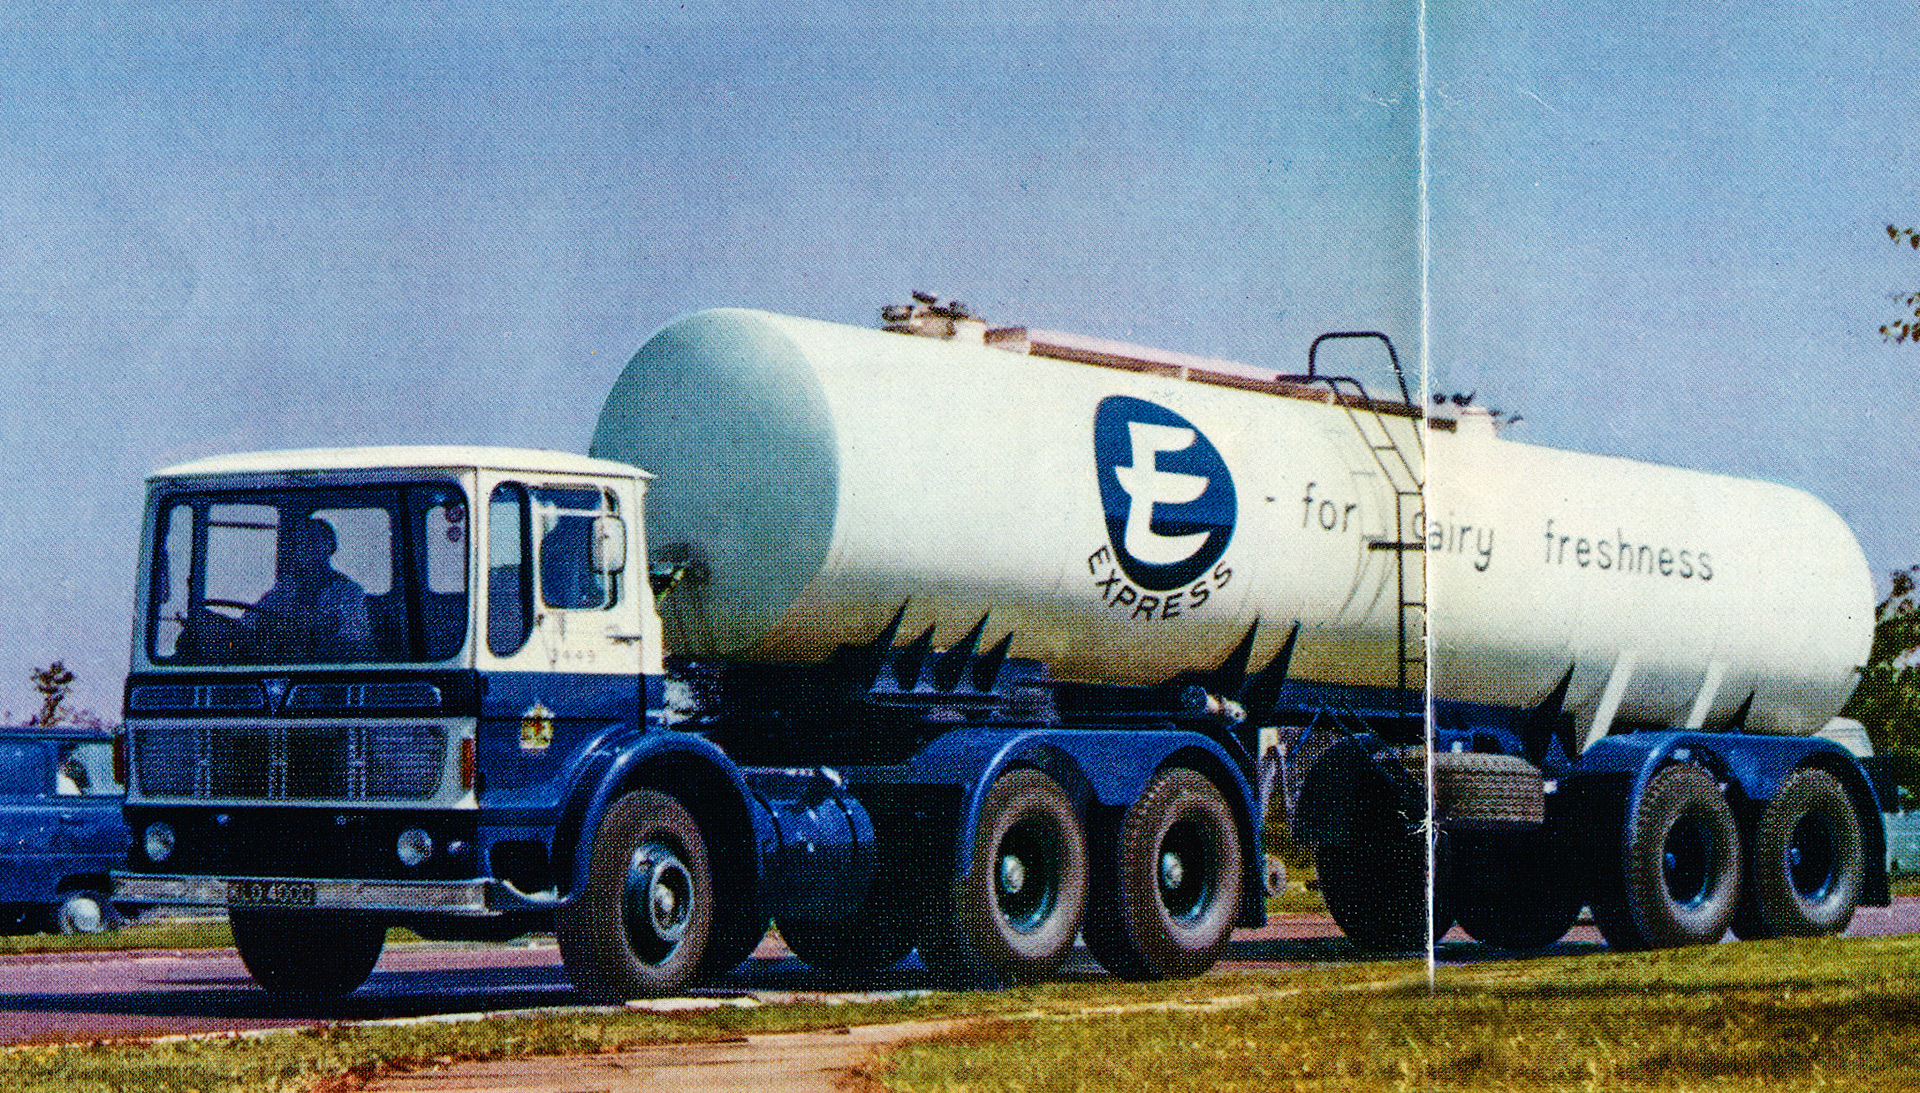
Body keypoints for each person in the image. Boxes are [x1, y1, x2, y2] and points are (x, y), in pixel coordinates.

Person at [240, 516, 374, 661]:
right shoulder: (285, 588)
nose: (306, 548)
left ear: (330, 546)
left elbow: (354, 641)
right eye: (300, 542)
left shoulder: (348, 592)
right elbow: (250, 621)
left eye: (312, 541)